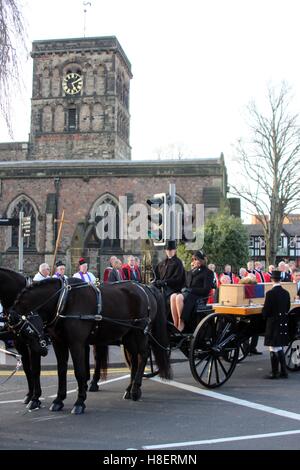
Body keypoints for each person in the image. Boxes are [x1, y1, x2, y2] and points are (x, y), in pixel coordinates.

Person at [170, 250, 214, 331]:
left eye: (195, 259)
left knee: (179, 297)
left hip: (198, 297)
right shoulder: (190, 272)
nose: (193, 261)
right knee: (173, 296)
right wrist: (184, 289)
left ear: (201, 260)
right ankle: (175, 323)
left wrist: (190, 290)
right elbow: (185, 285)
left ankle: (181, 322)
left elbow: (206, 290)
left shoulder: (208, 272)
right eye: (193, 259)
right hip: (188, 294)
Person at [262, 269, 290, 379]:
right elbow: (287, 307)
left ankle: (275, 372)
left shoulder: (270, 293)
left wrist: (263, 315)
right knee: (279, 347)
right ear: (280, 280)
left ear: (272, 279)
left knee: (273, 348)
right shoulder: (286, 293)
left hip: (273, 323)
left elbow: (266, 311)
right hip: (282, 322)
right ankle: (283, 371)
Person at [153, 241, 185, 313]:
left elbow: (178, 279)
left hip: (173, 290)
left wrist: (165, 282)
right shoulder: (162, 263)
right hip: (161, 288)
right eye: (167, 250)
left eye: (171, 250)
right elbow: (156, 275)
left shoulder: (178, 263)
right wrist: (155, 281)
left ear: (174, 250)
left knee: (162, 300)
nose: (169, 252)